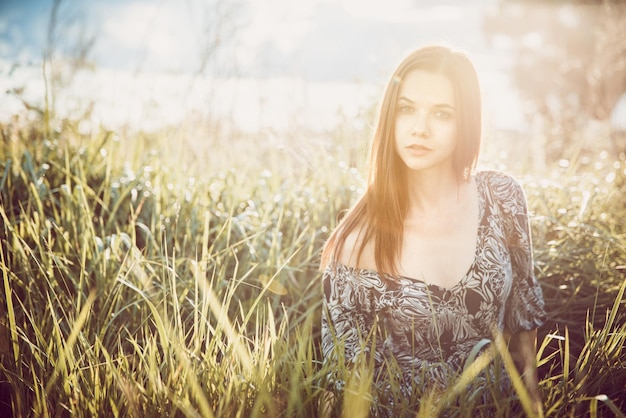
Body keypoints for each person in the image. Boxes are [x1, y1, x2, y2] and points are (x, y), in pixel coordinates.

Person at [319, 45, 546, 416]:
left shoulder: (501, 196)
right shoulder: (356, 242)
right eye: (406, 109)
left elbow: (524, 321)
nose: (419, 128)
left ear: (466, 122)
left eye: (442, 113)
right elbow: (340, 384)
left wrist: (536, 409)